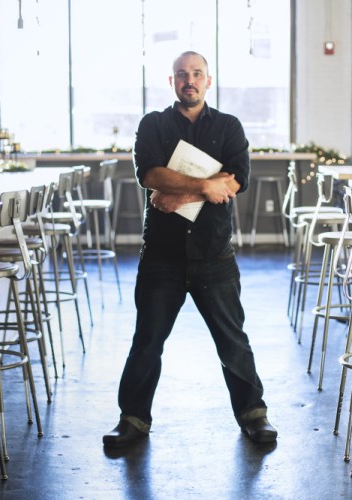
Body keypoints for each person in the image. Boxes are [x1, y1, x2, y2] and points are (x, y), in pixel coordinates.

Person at [103, 51, 277, 448]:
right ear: (172, 82)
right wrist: (202, 186)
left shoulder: (229, 126)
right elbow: (150, 173)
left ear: (208, 81)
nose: (189, 80)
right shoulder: (153, 124)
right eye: (182, 74)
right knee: (147, 342)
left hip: (214, 255)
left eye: (197, 74)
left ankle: (254, 414)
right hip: (161, 256)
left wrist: (175, 193)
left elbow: (236, 179)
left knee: (233, 340)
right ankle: (132, 419)